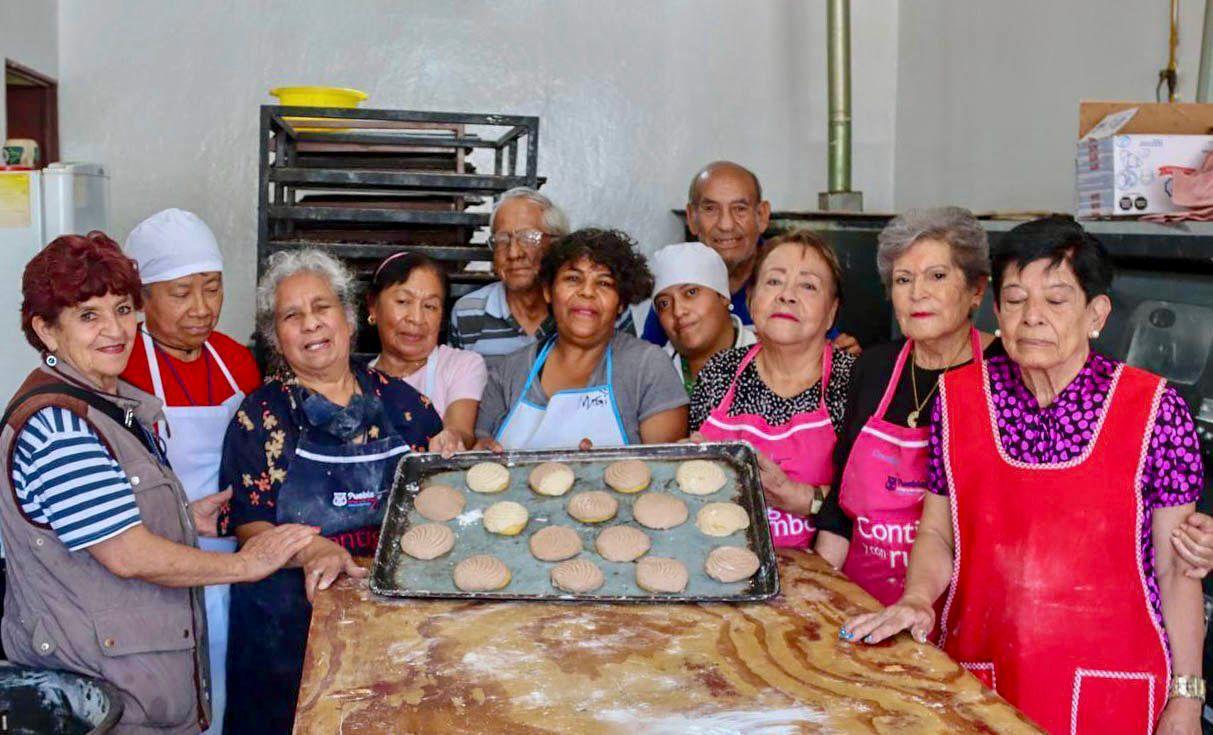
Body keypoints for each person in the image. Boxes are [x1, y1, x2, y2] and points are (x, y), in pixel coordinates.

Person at [843, 217, 1206, 735]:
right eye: (1015, 300)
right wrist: (919, 598)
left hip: (1113, 688)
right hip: (981, 674)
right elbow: (938, 532)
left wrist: (1187, 699)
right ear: (997, 309)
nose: (1032, 317)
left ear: (1096, 314)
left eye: (1056, 301)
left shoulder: (1154, 409)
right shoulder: (958, 398)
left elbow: (1177, 568)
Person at [0, 232, 317, 733]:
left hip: (133, 674)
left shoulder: (109, 402)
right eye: (88, 316)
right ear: (46, 329)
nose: (115, 330)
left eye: (123, 309)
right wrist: (247, 563)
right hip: (98, 688)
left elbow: (88, 522)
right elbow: (126, 554)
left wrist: (183, 517)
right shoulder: (58, 425)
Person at [219, 249, 442, 734]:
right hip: (286, 630)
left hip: (391, 622)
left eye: (321, 308)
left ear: (346, 316)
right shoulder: (260, 417)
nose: (311, 325)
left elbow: (440, 510)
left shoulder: (406, 406)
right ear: (276, 336)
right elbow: (248, 523)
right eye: (291, 316)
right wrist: (311, 547)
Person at [122, 208, 262, 733]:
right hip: (153, 549)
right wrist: (178, 514)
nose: (202, 308)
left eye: (213, 288)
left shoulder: (236, 360)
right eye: (181, 293)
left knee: (226, 687)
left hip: (233, 553)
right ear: (142, 298)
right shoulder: (122, 364)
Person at [813, 208, 997, 604]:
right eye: (903, 279)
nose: (917, 293)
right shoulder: (875, 367)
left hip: (960, 611)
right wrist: (822, 597)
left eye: (937, 276)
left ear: (977, 290)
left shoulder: (1005, 374)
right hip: (863, 600)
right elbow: (839, 508)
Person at [691, 230, 856, 549]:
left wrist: (801, 498)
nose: (787, 295)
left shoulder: (852, 381)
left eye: (808, 285)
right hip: (721, 562)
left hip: (825, 576)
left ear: (831, 312)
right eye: (774, 281)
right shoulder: (719, 371)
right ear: (751, 301)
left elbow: (871, 503)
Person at [476, 229, 688, 450]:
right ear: (548, 291)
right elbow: (478, 455)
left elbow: (665, 471)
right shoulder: (508, 372)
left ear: (621, 303)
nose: (587, 292)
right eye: (573, 279)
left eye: (604, 283)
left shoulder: (647, 366)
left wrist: (595, 466)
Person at [638, 161, 860, 354]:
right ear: (691, 218)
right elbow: (648, 367)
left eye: (740, 209)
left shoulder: (788, 270)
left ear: (762, 215)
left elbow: (828, 348)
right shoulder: (676, 282)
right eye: (710, 209)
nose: (726, 225)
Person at [367, 251, 486, 453]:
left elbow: (460, 430)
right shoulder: (356, 381)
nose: (416, 318)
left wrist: (453, 437)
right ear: (373, 306)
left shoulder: (460, 365)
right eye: (403, 301)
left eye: (430, 306)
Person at [448, 187, 566, 358]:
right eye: (502, 240)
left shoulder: (576, 309)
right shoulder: (468, 314)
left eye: (528, 238)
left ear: (555, 243)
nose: (513, 253)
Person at [648, 241, 756, 395]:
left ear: (723, 296)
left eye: (691, 293)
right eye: (664, 303)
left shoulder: (770, 359)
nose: (678, 311)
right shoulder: (649, 376)